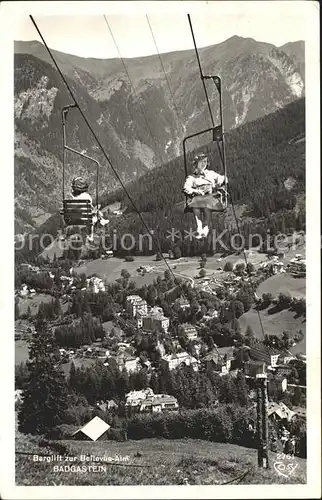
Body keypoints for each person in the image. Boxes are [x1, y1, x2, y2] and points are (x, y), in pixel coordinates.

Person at [183, 153, 228, 238]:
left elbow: (221, 178)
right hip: (199, 197)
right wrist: (196, 191)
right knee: (196, 205)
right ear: (196, 164)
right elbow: (186, 188)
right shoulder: (192, 177)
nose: (204, 164)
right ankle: (199, 227)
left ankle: (205, 227)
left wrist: (220, 181)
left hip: (210, 197)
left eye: (205, 162)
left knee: (206, 206)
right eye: (202, 162)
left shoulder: (210, 174)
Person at [69, 176, 109, 242]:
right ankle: (100, 223)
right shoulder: (87, 196)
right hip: (87, 217)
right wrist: (94, 211)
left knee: (93, 213)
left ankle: (101, 220)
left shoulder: (73, 198)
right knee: (94, 214)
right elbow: (89, 207)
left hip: (76, 218)